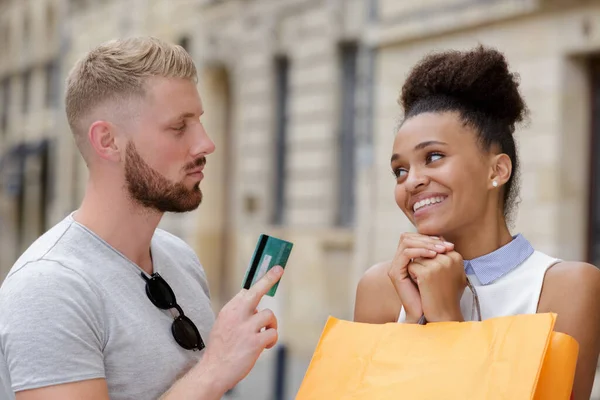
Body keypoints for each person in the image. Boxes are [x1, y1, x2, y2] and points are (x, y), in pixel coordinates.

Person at [0, 36, 284, 400]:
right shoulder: (49, 288)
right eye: (179, 127)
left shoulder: (179, 258)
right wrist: (214, 368)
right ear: (108, 141)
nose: (206, 143)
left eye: (199, 121)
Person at [353, 45, 600, 399]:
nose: (411, 181)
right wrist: (413, 321)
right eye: (400, 170)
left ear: (496, 170)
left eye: (433, 156)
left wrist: (445, 322)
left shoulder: (565, 288)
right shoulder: (381, 288)